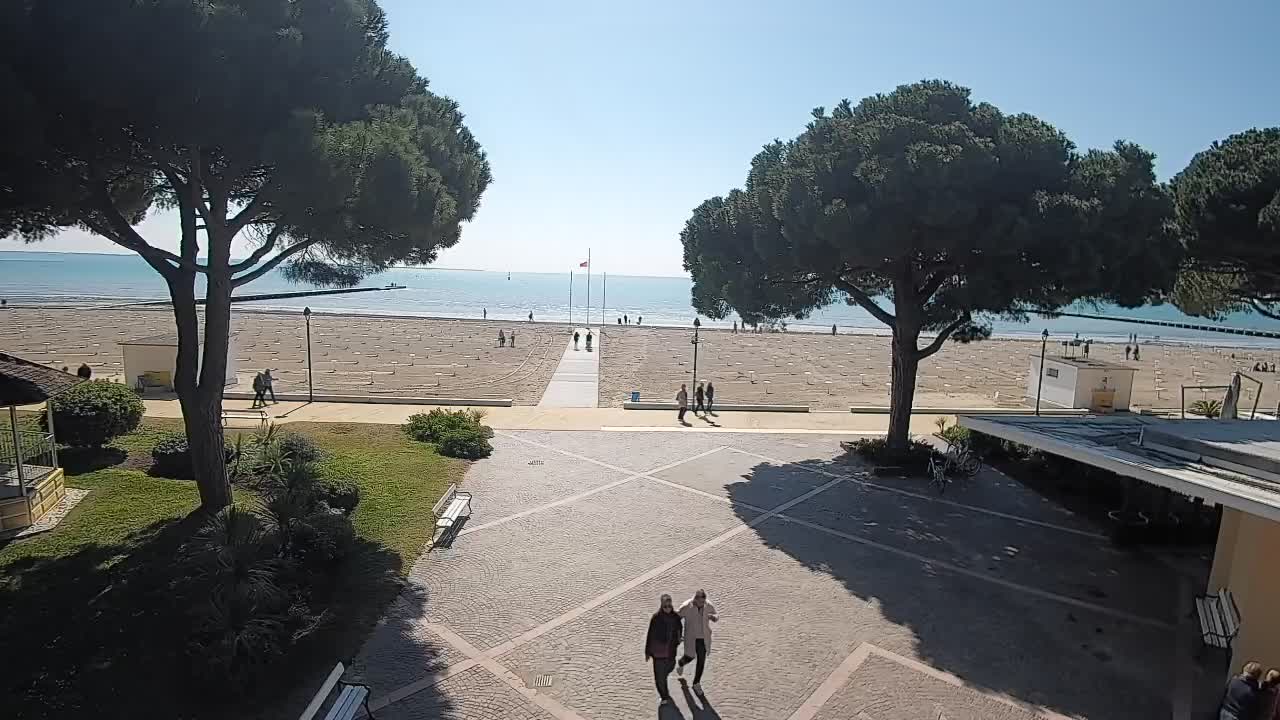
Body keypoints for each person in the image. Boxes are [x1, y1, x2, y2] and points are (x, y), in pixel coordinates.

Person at [676, 589, 717, 695]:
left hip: (703, 638)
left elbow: (716, 615)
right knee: (690, 656)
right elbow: (676, 618)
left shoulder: (707, 605)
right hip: (691, 637)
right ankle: (681, 663)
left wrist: (713, 618)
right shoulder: (686, 606)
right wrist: (678, 634)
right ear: (695, 599)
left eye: (704, 602)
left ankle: (696, 683)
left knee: (701, 660)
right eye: (701, 602)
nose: (703, 604)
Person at [645, 594, 682, 704]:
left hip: (670, 651)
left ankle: (664, 684)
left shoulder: (675, 617)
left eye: (669, 606)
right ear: (661, 606)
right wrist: (647, 651)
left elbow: (680, 629)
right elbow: (650, 635)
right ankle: (664, 696)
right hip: (658, 653)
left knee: (669, 668)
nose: (667, 609)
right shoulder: (656, 618)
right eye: (665, 606)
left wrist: (678, 639)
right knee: (659, 678)